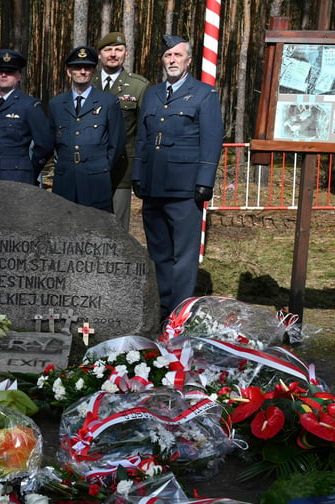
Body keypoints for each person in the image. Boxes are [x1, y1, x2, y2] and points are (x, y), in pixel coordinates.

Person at [132, 34, 223, 319]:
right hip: (154, 184)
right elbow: (143, 139)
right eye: (168, 56)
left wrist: (205, 180)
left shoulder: (203, 94)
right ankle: (161, 308)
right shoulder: (153, 93)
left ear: (189, 60)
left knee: (183, 256)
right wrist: (138, 173)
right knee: (158, 251)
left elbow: (211, 139)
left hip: (185, 188)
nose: (172, 60)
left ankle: (179, 313)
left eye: (178, 55)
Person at [48, 46, 125, 211]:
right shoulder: (56, 104)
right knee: (64, 230)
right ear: (69, 72)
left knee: (97, 231)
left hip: (96, 181)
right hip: (65, 181)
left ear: (94, 71)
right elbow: (51, 142)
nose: (82, 72)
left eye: (87, 67)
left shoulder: (108, 102)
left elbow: (116, 144)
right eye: (77, 67)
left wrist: (100, 168)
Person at [92, 32, 149, 230]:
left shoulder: (138, 86)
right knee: (88, 223)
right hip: (88, 168)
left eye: (118, 49)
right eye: (108, 50)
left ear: (126, 53)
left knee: (117, 228)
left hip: (122, 170)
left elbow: (144, 132)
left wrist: (141, 170)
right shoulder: (88, 84)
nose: (113, 54)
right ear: (100, 55)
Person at [0, 49, 53, 185]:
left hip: (16, 178)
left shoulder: (29, 105)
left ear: (19, 76)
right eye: (0, 71)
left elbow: (45, 145)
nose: (3, 75)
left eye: (9, 72)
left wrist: (29, 168)